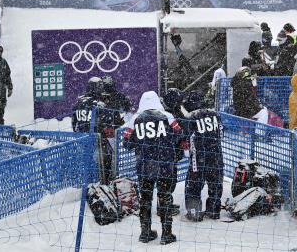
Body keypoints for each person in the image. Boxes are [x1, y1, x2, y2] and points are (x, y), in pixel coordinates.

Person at [123, 91, 183, 245]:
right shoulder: (168, 116)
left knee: (145, 199)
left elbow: (126, 143)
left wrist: (142, 142)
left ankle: (145, 232)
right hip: (164, 164)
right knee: (164, 197)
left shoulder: (135, 119)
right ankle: (166, 234)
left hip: (144, 165)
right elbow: (179, 134)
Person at [72, 77, 122, 184]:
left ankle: (87, 182)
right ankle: (105, 183)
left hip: (82, 139)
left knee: (87, 163)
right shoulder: (99, 105)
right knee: (106, 159)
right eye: (100, 87)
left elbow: (73, 123)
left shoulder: (78, 102)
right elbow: (110, 123)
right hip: (98, 140)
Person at [182, 104, 224, 221]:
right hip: (216, 156)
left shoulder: (190, 117)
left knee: (193, 185)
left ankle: (194, 213)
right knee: (215, 184)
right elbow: (221, 134)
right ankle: (214, 211)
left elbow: (185, 137)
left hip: (199, 157)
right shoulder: (215, 114)